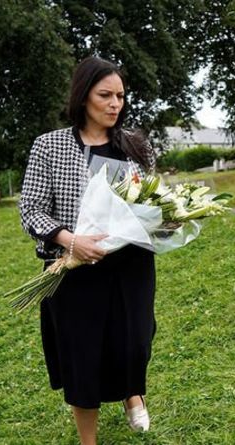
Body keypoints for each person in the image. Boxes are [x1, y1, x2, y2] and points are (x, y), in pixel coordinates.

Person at [18, 56, 157, 444]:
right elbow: (31, 210)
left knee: (135, 341)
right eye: (106, 95)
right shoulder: (50, 146)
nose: (116, 104)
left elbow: (150, 200)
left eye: (121, 96)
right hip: (75, 268)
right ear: (83, 97)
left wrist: (167, 218)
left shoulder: (135, 145)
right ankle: (88, 441)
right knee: (83, 357)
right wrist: (69, 239)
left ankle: (133, 393)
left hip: (131, 266)